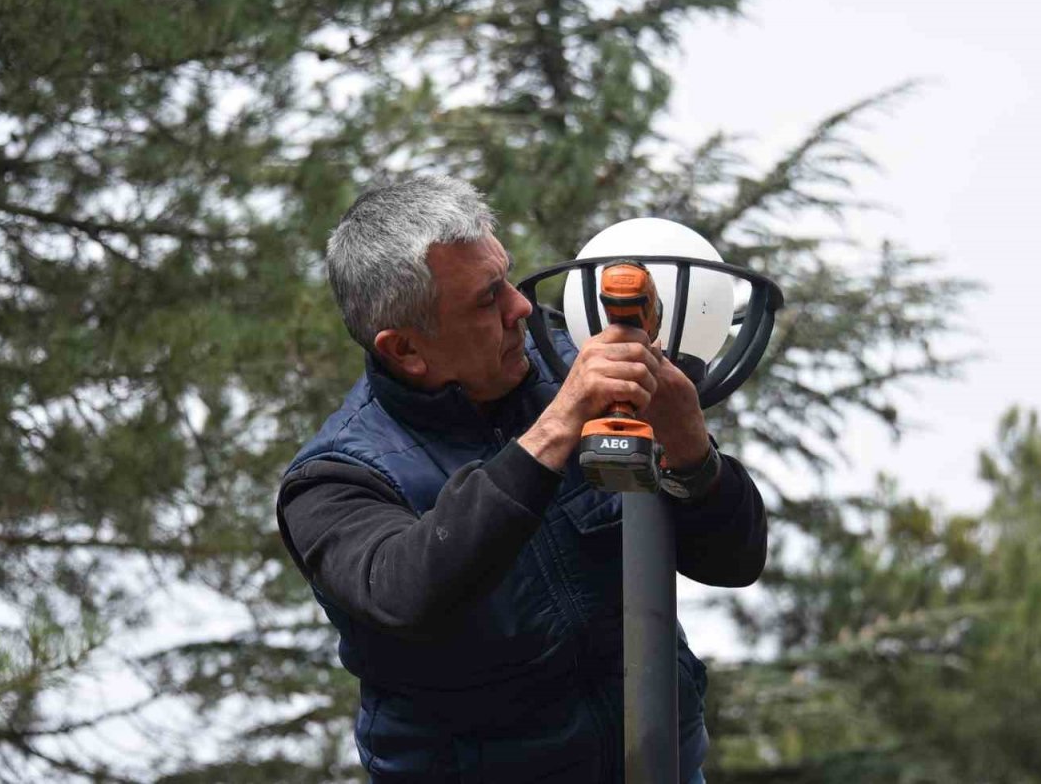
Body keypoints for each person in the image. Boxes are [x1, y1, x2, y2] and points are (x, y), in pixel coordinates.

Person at [276, 176, 768, 783]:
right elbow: (407, 591)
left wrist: (691, 448)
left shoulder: (568, 357)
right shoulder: (335, 479)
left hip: (661, 767)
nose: (522, 308)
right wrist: (558, 427)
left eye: (506, 277)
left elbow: (734, 559)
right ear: (405, 350)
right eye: (487, 300)